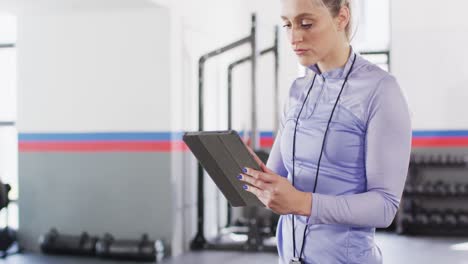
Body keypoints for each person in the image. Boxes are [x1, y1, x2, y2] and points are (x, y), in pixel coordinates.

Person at [238, 0, 412, 263]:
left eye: (306, 24)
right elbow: (275, 178)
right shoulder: (297, 91)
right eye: (287, 25)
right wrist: (239, 166)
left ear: (341, 17)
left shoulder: (380, 90)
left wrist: (302, 203)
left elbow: (384, 206)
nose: (294, 37)